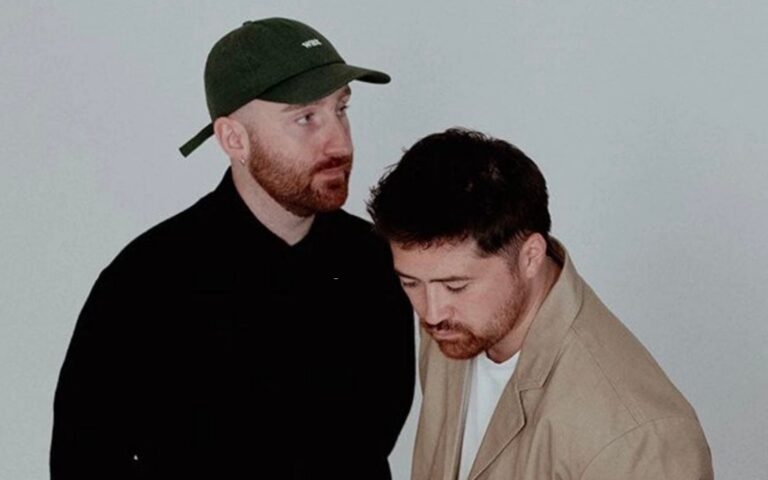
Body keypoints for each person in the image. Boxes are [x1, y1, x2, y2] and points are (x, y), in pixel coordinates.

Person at [51, 17, 414, 480]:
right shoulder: (148, 280)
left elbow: (375, 433)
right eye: (305, 117)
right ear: (233, 139)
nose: (339, 141)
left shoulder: (376, 259)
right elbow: (84, 458)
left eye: (340, 109)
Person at [367, 128, 713, 479]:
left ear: (531, 256)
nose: (431, 313)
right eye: (409, 282)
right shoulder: (453, 325)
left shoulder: (639, 437)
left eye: (456, 286)